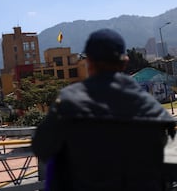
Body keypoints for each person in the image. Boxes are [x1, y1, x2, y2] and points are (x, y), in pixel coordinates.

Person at [32, 28, 176, 191]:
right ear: (125, 62)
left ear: (88, 63)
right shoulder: (156, 111)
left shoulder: (68, 103)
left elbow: (41, 148)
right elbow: (171, 167)